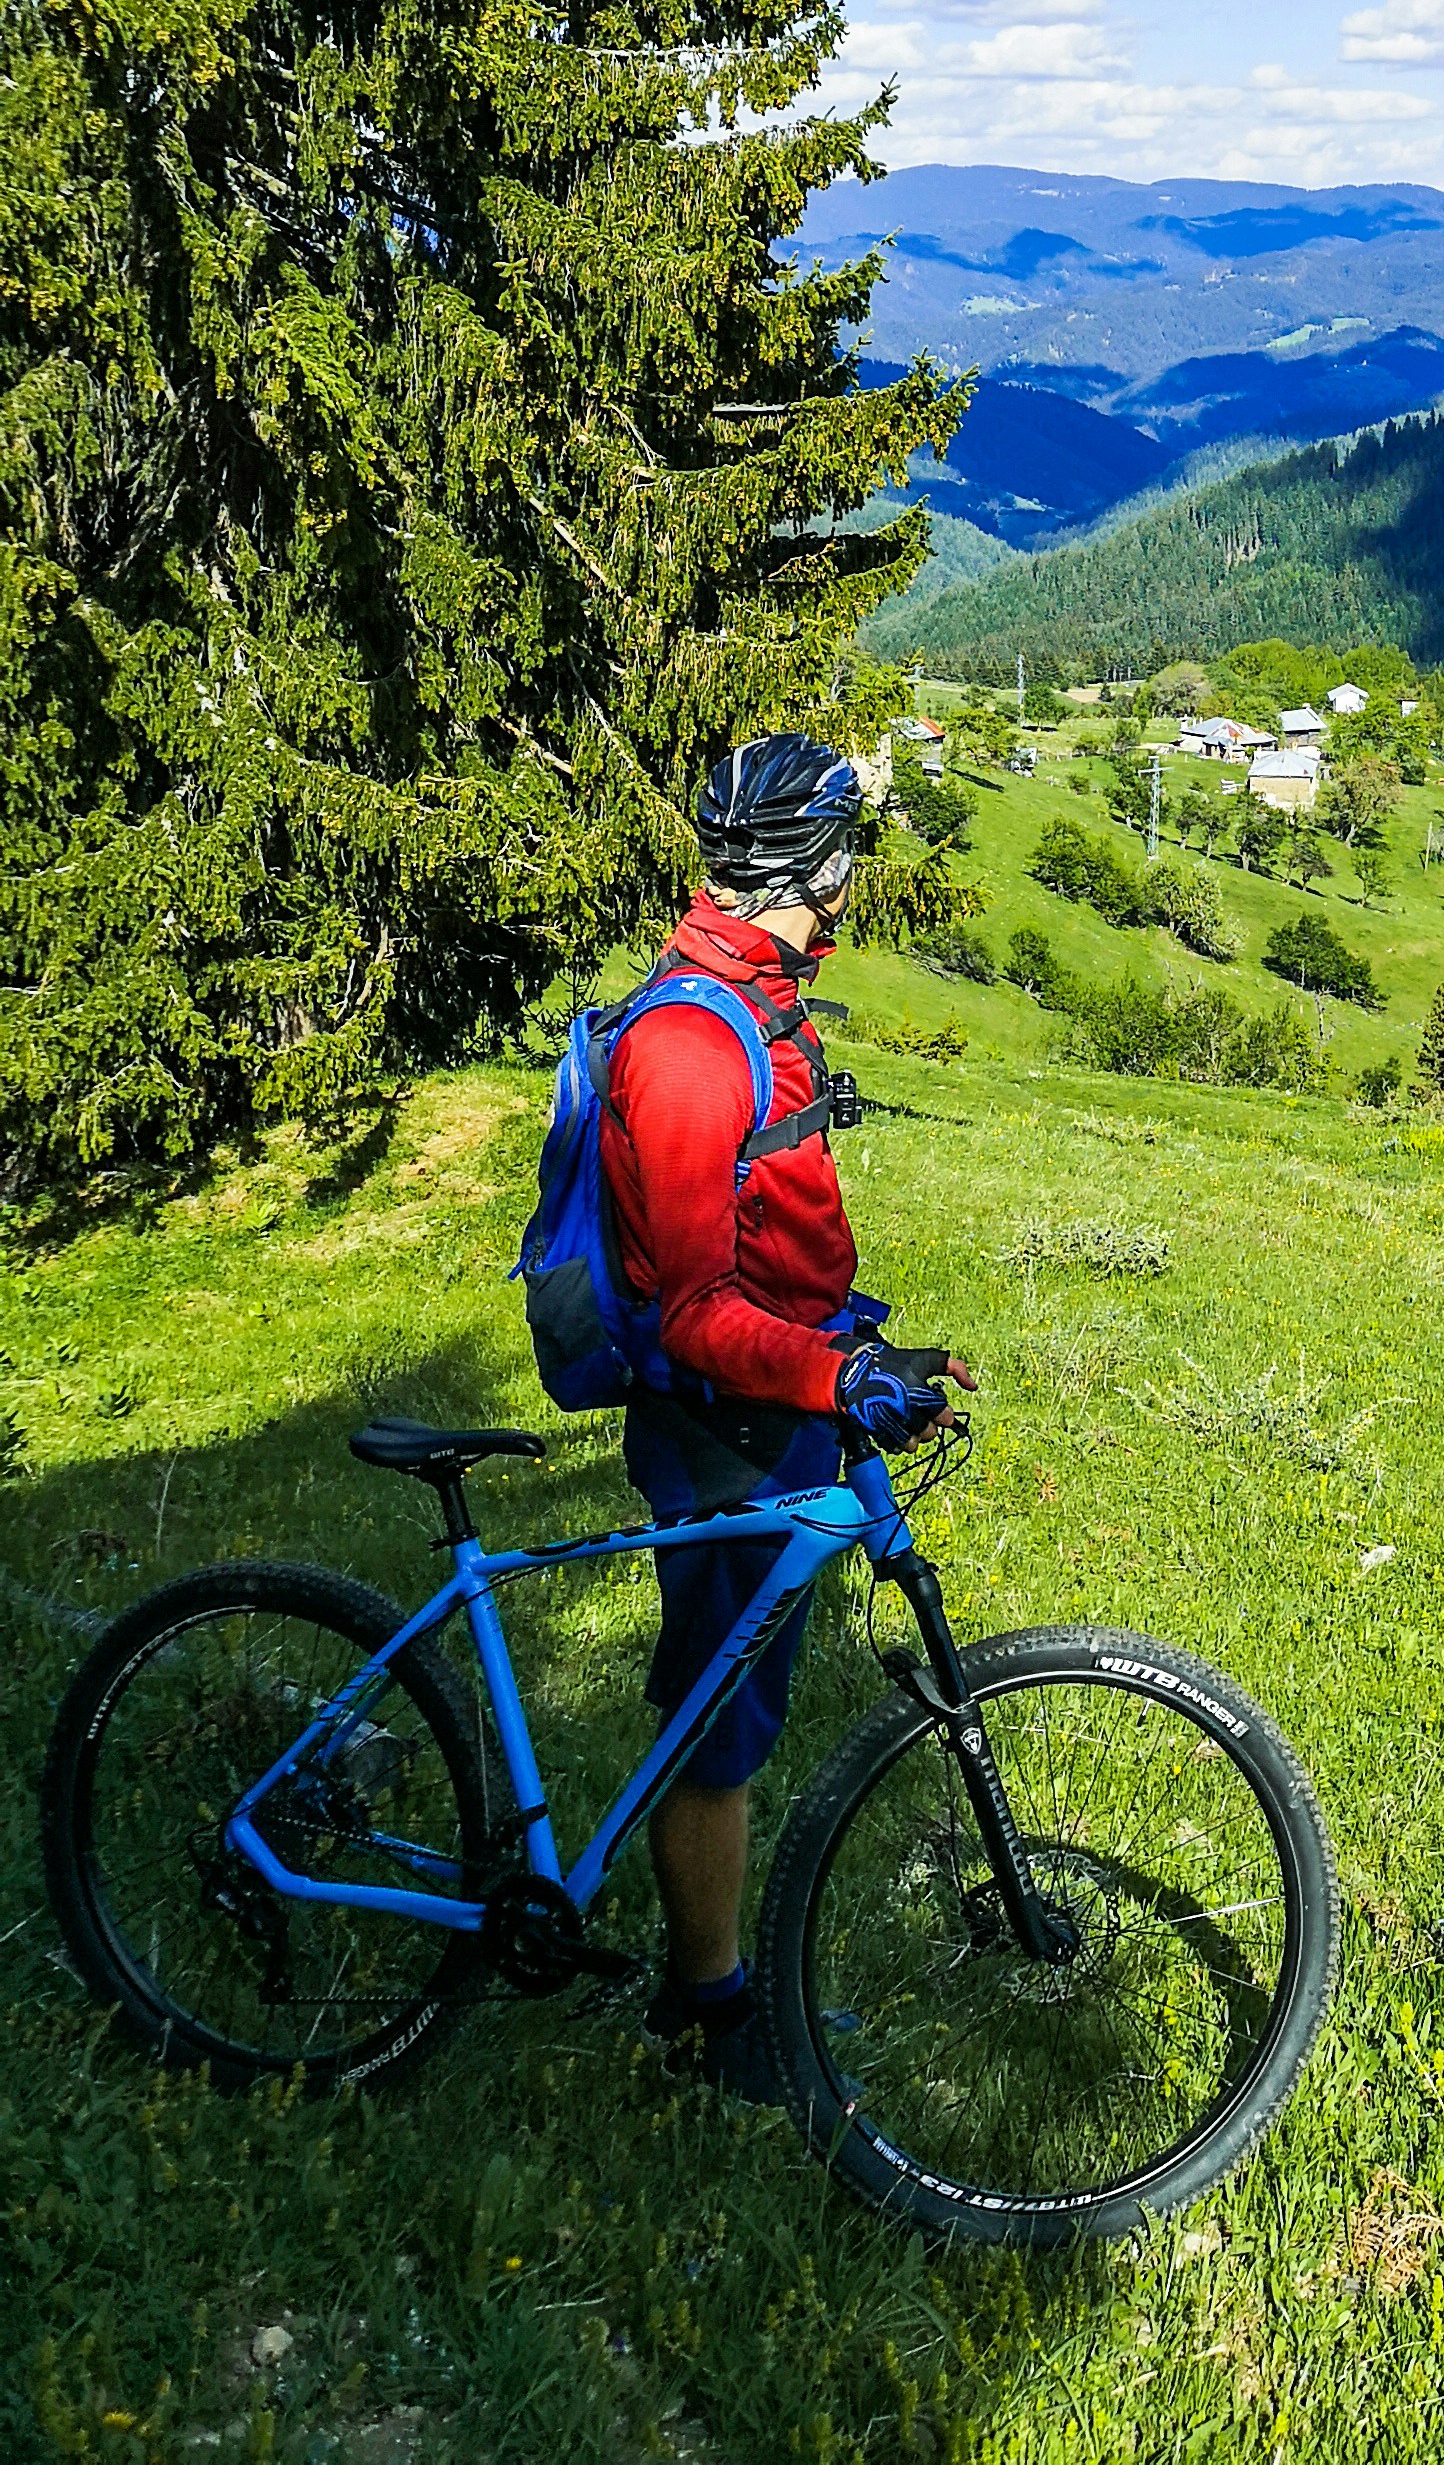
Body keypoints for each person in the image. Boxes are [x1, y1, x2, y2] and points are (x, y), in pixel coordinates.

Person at [601, 732, 973, 2082]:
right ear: (808, 870)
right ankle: (705, 2012)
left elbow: (778, 1244)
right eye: (847, 857)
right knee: (715, 1728)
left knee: (735, 1709)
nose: (857, 882)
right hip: (728, 1431)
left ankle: (710, 1993)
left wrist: (870, 1348)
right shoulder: (697, 1044)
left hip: (779, 1401)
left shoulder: (756, 1001)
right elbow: (697, 1307)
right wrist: (836, 1378)